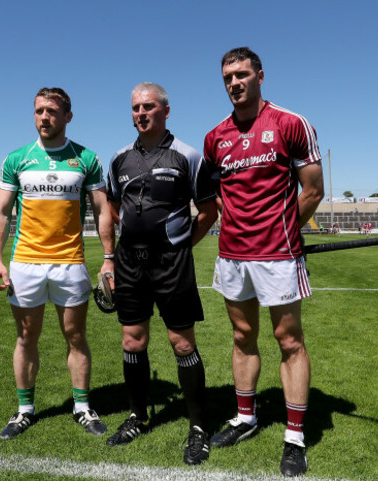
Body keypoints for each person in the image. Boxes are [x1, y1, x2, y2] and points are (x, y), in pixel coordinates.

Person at [203, 47, 324, 477]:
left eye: (241, 74)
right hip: (233, 255)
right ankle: (246, 418)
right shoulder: (215, 137)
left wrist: (283, 229)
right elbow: (218, 195)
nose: (234, 83)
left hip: (278, 254)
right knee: (242, 335)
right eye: (227, 78)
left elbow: (312, 189)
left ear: (260, 75)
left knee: (288, 340)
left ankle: (294, 437)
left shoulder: (290, 123)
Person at [0, 87, 115, 440]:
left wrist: (108, 259)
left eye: (52, 111)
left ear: (67, 116)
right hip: (25, 263)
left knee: (75, 336)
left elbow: (104, 211)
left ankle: (82, 407)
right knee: (27, 337)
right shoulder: (17, 158)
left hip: (70, 262)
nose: (45, 117)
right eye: (39, 111)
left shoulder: (86, 158)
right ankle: (25, 410)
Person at [103, 82, 218, 465]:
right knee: (132, 341)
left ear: (166, 111)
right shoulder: (118, 158)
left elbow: (207, 211)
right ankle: (137, 414)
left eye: (148, 107)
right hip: (129, 262)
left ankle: (199, 426)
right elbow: (114, 209)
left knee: (182, 344)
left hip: (172, 263)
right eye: (135, 107)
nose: (141, 113)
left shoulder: (188, 156)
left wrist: (181, 244)